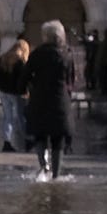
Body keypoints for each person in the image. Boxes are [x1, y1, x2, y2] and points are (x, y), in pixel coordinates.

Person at [19, 18, 77, 180]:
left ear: (45, 36)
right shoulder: (67, 54)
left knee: (40, 135)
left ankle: (44, 168)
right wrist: (68, 94)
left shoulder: (38, 54)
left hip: (40, 98)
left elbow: (26, 75)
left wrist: (25, 88)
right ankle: (56, 175)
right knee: (58, 138)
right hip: (60, 99)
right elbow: (71, 79)